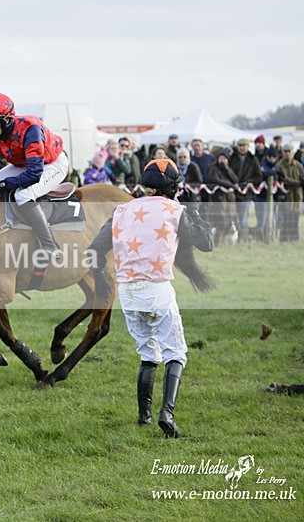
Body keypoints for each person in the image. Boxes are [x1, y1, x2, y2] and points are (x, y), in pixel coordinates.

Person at [87, 158, 214, 438]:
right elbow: (207, 243)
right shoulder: (175, 210)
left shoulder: (121, 210)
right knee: (176, 353)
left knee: (148, 354)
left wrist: (100, 277)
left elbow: (94, 250)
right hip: (157, 290)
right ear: (173, 186)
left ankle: (143, 416)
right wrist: (191, 210)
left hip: (129, 294)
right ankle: (166, 412)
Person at [0, 92, 69, 259]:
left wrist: (4, 185)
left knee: (23, 194)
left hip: (52, 164)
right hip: (24, 164)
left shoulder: (30, 129)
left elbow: (33, 174)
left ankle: (50, 246)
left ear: (7, 120)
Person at [229, 138, 262, 241]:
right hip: (233, 193)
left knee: (243, 218)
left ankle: (242, 239)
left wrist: (248, 182)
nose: (242, 148)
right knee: (233, 218)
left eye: (244, 145)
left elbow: (258, 176)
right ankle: (233, 239)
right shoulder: (232, 158)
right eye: (240, 145)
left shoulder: (253, 160)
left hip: (246, 194)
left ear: (248, 147)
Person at [276, 144, 304, 242]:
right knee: (286, 219)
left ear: (293, 153)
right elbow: (282, 180)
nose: (287, 154)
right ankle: (284, 239)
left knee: (295, 219)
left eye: (289, 151)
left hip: (297, 197)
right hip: (286, 197)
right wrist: (297, 182)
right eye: (285, 152)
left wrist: (295, 182)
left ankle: (294, 238)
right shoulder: (279, 166)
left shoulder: (298, 165)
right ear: (282, 153)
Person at [208, 148, 239, 245]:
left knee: (229, 222)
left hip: (229, 200)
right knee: (220, 222)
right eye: (221, 158)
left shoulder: (229, 169)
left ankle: (226, 242)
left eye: (224, 159)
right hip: (219, 199)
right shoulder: (214, 168)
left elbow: (235, 179)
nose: (222, 161)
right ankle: (217, 242)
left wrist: (227, 169)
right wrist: (229, 185)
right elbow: (215, 179)